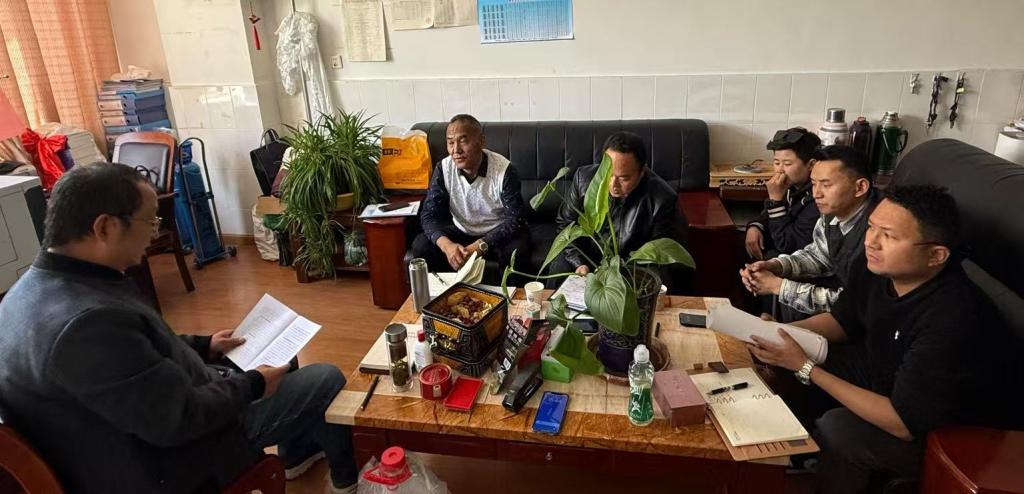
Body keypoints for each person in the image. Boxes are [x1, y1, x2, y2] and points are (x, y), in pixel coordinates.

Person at [0, 164, 358, 494]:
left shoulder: (27, 293)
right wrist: (253, 385)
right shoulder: (86, 326)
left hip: (147, 416)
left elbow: (130, 358)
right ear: (105, 227)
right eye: (149, 222)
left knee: (284, 355)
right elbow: (179, 420)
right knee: (325, 378)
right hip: (179, 455)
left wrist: (204, 345)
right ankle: (347, 482)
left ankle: (296, 456)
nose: (155, 232)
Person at [748, 185, 1021, 493]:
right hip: (886, 374)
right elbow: (841, 322)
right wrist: (785, 334)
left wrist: (805, 366)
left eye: (888, 236)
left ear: (936, 255)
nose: (871, 242)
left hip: (948, 431)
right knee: (781, 356)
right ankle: (794, 456)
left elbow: (902, 422)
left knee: (840, 429)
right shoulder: (875, 268)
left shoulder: (954, 318)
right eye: (871, 227)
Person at [740, 145, 881, 316]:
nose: (816, 194)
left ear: (860, 187)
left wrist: (779, 287)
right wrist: (776, 266)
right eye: (814, 184)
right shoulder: (833, 212)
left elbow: (856, 304)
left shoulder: (880, 231)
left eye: (826, 185)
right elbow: (819, 256)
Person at [552, 131, 689, 289]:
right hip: (587, 259)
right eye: (608, 174)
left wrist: (620, 276)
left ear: (641, 172)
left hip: (631, 268)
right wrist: (579, 263)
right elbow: (566, 225)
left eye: (624, 178)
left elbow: (658, 255)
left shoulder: (662, 199)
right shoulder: (583, 179)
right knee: (558, 270)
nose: (613, 185)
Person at [412, 114, 528, 277]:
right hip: (462, 230)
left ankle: (508, 294)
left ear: (481, 141)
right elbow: (428, 215)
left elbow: (515, 219)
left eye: (463, 141)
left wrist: (480, 246)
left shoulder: (504, 170)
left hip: (498, 233)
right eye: (450, 142)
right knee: (421, 245)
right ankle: (446, 290)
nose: (456, 150)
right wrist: (447, 246)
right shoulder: (443, 169)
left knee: (517, 251)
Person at [745, 127, 822, 259]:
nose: (780, 170)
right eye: (776, 162)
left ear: (811, 165)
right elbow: (767, 215)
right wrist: (755, 227)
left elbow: (787, 245)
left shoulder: (818, 197)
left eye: (787, 164)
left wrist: (775, 201)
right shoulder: (791, 185)